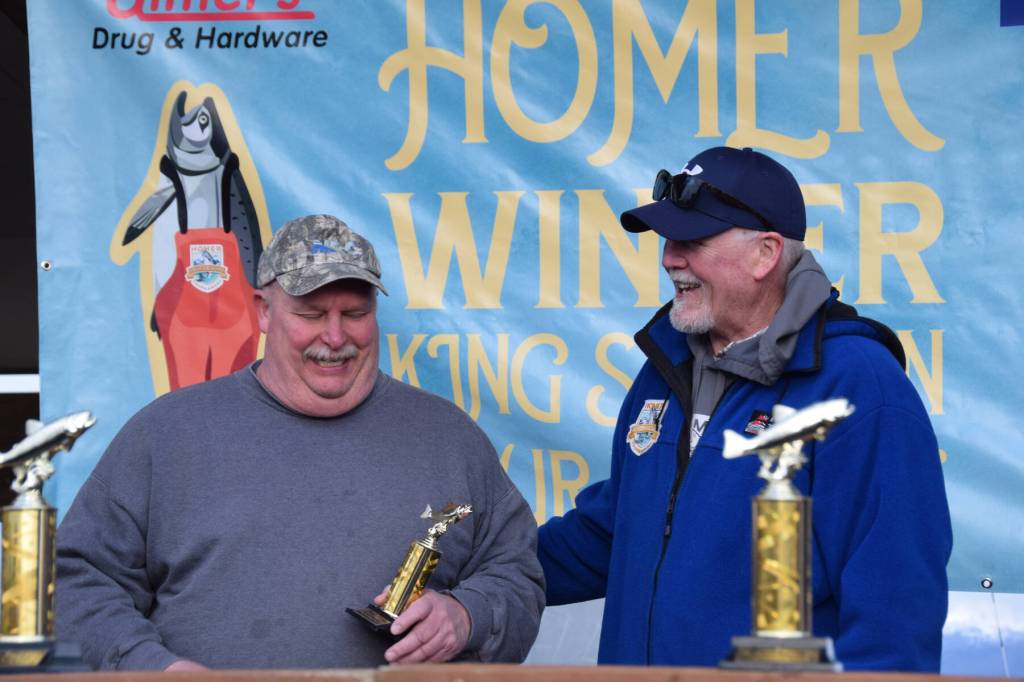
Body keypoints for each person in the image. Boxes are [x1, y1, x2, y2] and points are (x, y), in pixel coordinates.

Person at [57, 214, 544, 670]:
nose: (335, 336)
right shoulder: (165, 435)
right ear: (263, 312)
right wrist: (152, 668)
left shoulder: (448, 437)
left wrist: (468, 615)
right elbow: (79, 580)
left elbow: (518, 575)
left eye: (354, 312)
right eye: (312, 314)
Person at [537, 147, 952, 671]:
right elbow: (613, 533)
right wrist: (476, 576)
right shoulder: (664, 371)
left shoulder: (862, 388)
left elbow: (896, 615)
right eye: (668, 239)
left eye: (693, 239)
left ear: (766, 253)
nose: (669, 257)